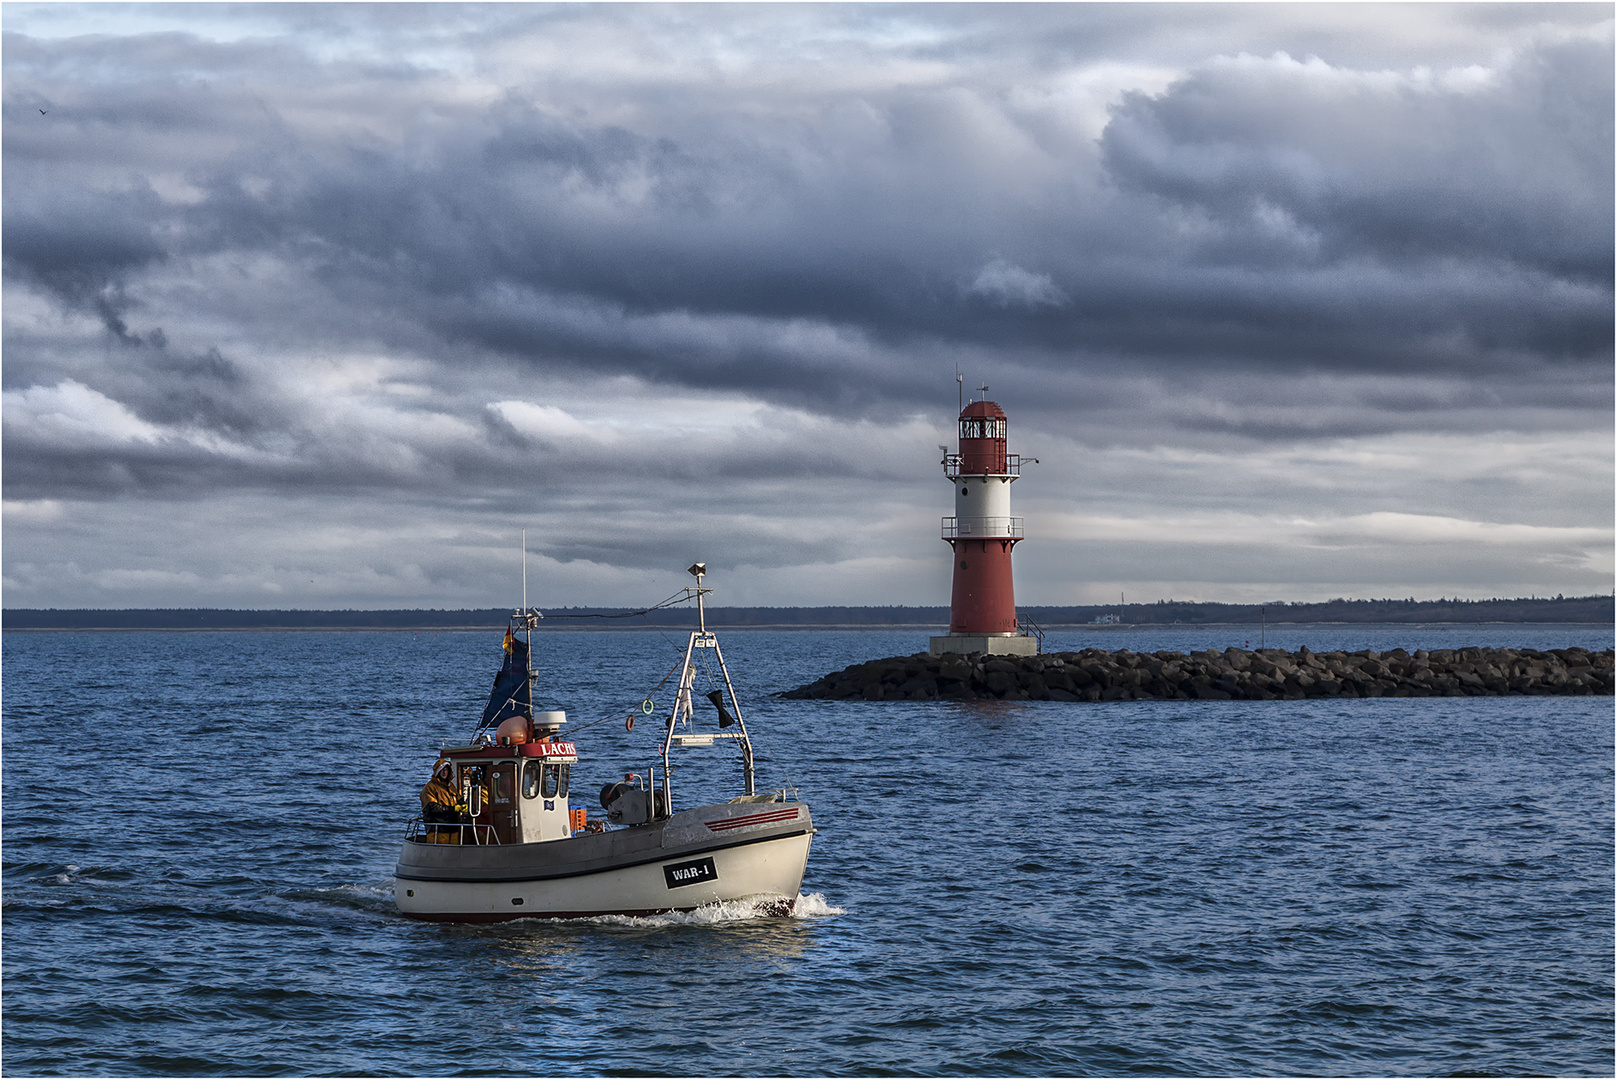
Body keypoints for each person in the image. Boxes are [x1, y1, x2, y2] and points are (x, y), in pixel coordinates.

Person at [420, 760, 465, 841]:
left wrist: (463, 804)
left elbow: (458, 798)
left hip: (453, 827)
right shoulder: (430, 787)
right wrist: (453, 809)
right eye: (442, 770)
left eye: (446, 770)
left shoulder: (450, 786)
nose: (444, 772)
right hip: (438, 829)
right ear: (437, 772)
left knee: (453, 850)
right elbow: (433, 808)